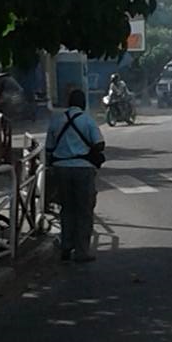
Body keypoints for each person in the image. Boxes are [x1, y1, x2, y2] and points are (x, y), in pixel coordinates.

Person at [46, 89, 105, 263]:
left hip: (61, 169)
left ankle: (65, 246)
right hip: (83, 169)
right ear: (83, 103)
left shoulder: (56, 120)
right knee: (84, 211)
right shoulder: (87, 120)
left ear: (68, 103)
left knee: (67, 209)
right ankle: (81, 252)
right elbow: (99, 144)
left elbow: (49, 148)